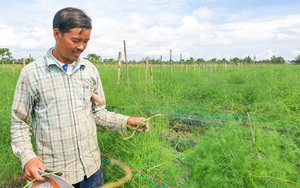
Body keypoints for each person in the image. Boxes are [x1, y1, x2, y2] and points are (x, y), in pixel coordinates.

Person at [11, 7, 148, 187]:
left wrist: (126, 121)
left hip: (92, 171)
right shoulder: (32, 74)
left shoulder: (89, 70)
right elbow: (19, 123)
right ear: (57, 34)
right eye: (76, 40)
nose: (81, 47)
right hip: (55, 175)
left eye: (86, 41)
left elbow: (98, 113)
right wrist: (29, 158)